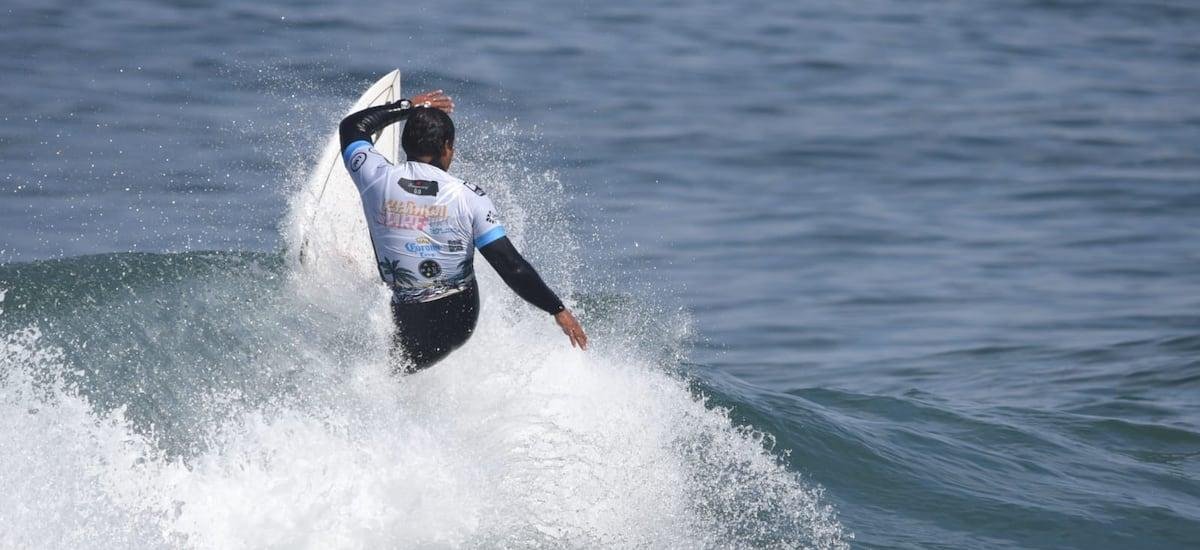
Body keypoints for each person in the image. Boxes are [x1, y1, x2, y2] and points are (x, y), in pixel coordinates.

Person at [339, 89, 587, 372]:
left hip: (408, 320)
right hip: (457, 322)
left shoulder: (373, 175)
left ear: (406, 143)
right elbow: (509, 265)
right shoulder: (469, 196)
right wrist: (557, 309)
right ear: (447, 147)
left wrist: (407, 107)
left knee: (399, 364)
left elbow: (353, 126)